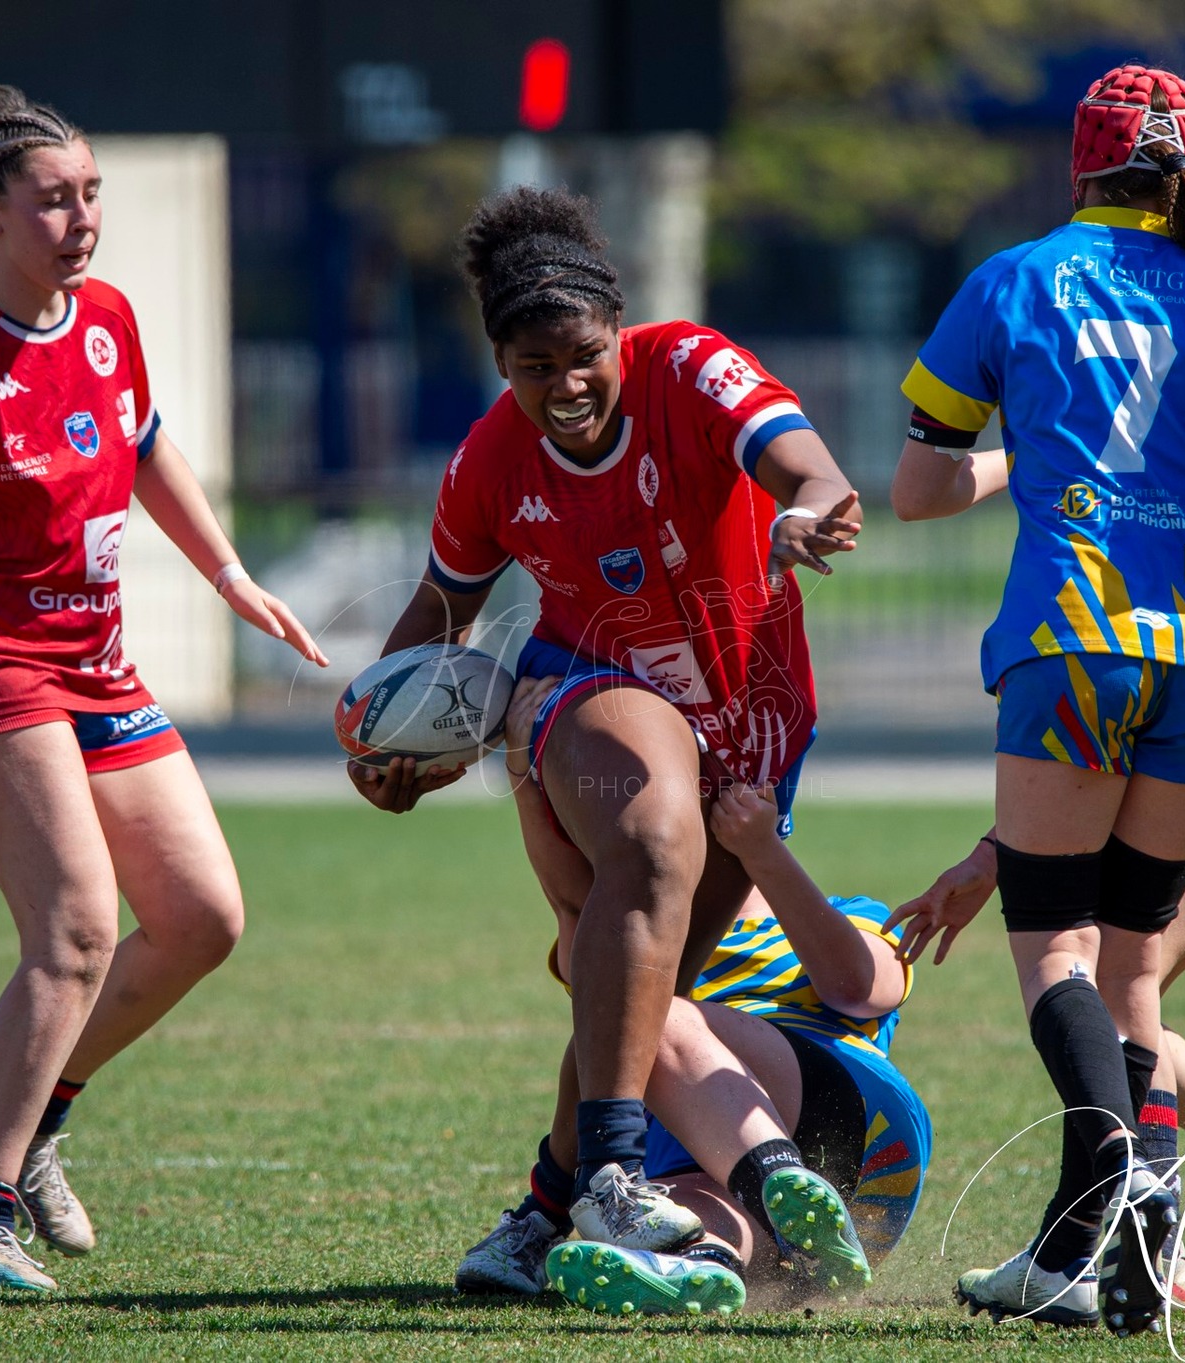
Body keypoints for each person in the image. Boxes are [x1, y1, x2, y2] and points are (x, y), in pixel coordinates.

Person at [887, 64, 1185, 1335]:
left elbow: (917, 490)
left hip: (1073, 646)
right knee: (1134, 961)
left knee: (1053, 946)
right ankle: (1081, 1248)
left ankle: (1131, 1175)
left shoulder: (1015, 278)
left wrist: (1016, 457)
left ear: (1076, 162)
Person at [0, 82, 327, 1291]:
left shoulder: (104, 317)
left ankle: (33, 1118)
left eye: (92, 195)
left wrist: (227, 571)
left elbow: (145, 435)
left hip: (97, 664)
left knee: (203, 917)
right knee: (72, 933)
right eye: (54, 200)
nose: (81, 219)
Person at [349, 187, 863, 1252]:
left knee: (635, 988)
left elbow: (805, 465)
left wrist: (808, 509)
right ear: (501, 366)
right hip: (583, 683)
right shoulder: (491, 459)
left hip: (753, 717)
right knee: (648, 833)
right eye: (532, 368)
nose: (564, 385)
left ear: (615, 332)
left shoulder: (691, 367)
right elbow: (440, 610)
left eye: (581, 354)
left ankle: (544, 1211)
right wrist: (380, 737)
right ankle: (616, 1181)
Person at [896, 649, 1185, 1323]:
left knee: (1117, 984)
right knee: (1112, 989)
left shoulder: (1131, 553)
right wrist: (994, 853)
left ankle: (1142, 1256)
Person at [455, 680, 933, 1316]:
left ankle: (770, 1181)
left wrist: (763, 853)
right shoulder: (630, 938)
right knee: (685, 1206)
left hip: (857, 1124)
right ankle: (696, 1266)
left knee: (655, 1018)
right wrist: (522, 769)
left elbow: (859, 986)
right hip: (818, 1213)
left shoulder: (847, 913)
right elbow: (577, 917)